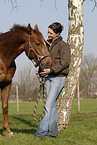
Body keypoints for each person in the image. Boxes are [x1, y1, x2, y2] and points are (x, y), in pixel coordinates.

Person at [35, 22, 70, 138]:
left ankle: (40, 133)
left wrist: (51, 70)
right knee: (52, 106)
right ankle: (52, 133)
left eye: (51, 33)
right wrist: (42, 73)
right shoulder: (47, 45)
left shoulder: (63, 46)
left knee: (48, 106)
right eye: (48, 32)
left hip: (58, 78)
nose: (48, 34)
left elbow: (64, 62)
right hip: (48, 77)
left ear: (58, 33)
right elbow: (44, 59)